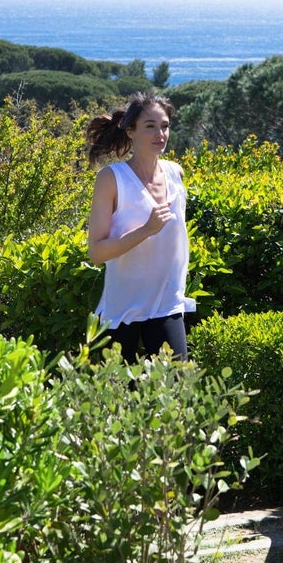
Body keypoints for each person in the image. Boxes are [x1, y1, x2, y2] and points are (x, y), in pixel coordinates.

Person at [85, 92, 195, 363]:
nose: (160, 134)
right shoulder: (111, 178)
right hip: (122, 311)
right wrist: (146, 230)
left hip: (167, 305)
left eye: (165, 126)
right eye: (150, 126)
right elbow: (96, 253)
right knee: (118, 399)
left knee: (176, 390)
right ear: (131, 131)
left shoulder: (175, 173)